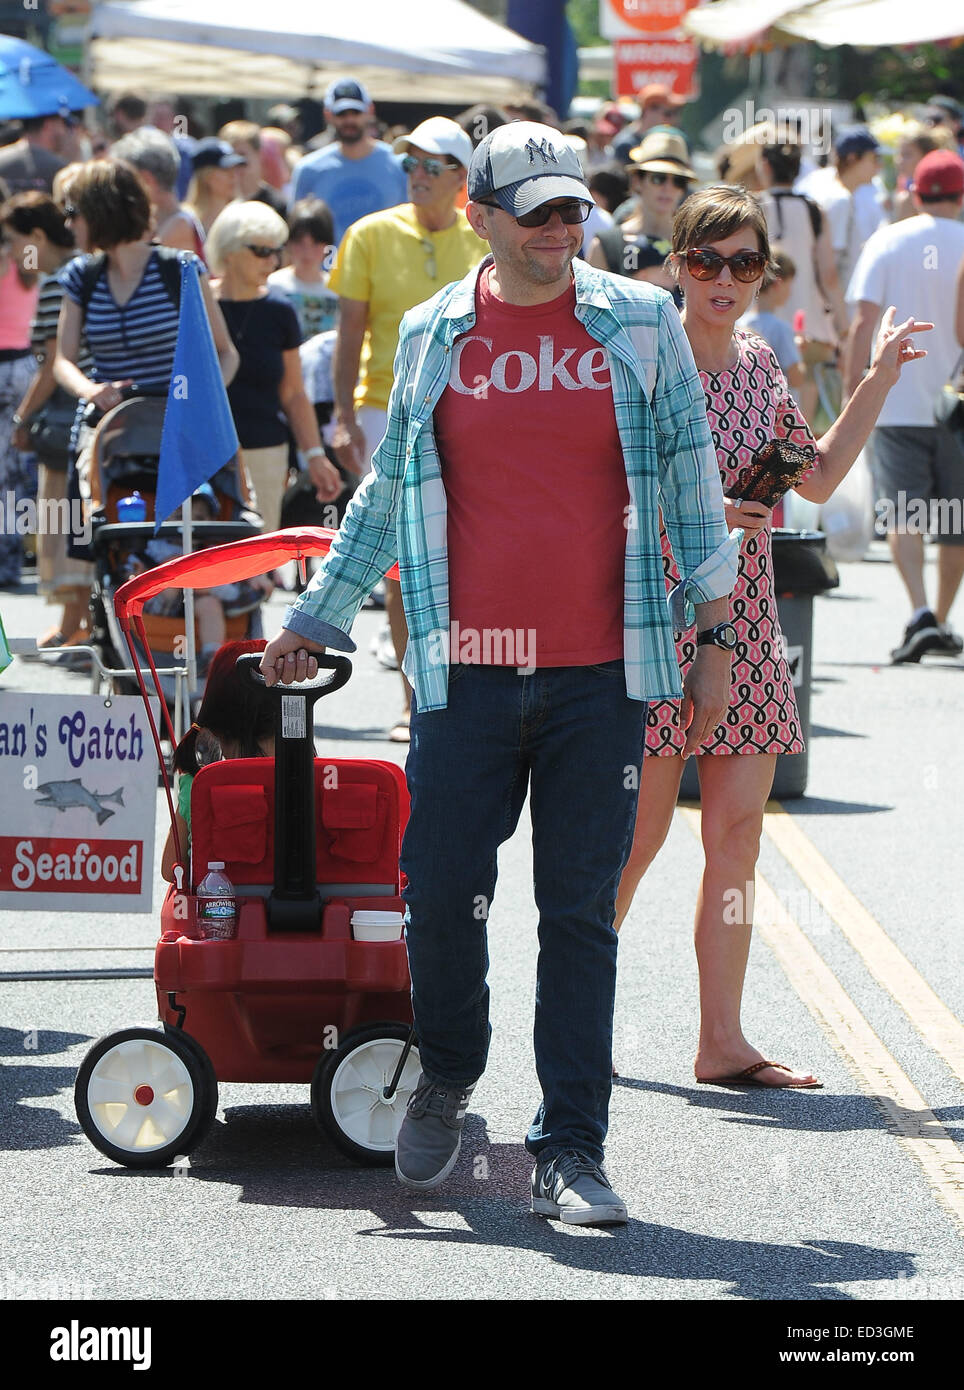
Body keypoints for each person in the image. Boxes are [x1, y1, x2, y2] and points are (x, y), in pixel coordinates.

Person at [258, 121, 742, 1226]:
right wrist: (319, 618)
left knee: (578, 914)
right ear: (479, 215)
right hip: (464, 672)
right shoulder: (434, 331)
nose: (566, 231)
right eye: (540, 215)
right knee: (438, 893)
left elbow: (690, 481)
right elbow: (382, 497)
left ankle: (570, 1145)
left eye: (576, 210)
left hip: (601, 673)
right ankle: (449, 1067)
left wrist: (715, 640)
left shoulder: (641, 321)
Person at [614, 185, 930, 1089]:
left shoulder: (758, 365)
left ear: (764, 272)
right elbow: (602, 496)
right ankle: (575, 1009)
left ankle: (723, 1041)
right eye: (707, 260)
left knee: (740, 835)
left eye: (744, 262)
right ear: (677, 264)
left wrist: (872, 379)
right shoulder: (640, 360)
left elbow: (819, 478)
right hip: (654, 618)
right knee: (637, 841)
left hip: (746, 622)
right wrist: (706, 507)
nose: (724, 278)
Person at [327, 115, 485, 743]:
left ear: (461, 179)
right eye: (409, 164)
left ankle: (467, 694)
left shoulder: (487, 236)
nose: (416, 176)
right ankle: (413, 699)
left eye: (430, 165)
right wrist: (341, 419)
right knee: (403, 560)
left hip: (472, 412)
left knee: (468, 557)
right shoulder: (368, 234)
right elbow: (349, 338)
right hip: (383, 412)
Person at [52, 159, 239, 519]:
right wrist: (90, 390)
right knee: (109, 537)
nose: (68, 223)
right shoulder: (82, 276)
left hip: (179, 429)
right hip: (111, 436)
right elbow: (63, 360)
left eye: (74, 211)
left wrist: (201, 398)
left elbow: (226, 354)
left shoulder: (179, 269)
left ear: (100, 211)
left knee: (193, 533)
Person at [844, 148, 964, 663]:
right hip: (958, 403)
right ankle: (939, 615)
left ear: (915, 192)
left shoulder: (888, 241)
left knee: (905, 511)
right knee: (955, 516)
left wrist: (856, 390)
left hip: (894, 397)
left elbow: (862, 320)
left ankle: (919, 613)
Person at [205, 200, 342, 532]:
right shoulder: (201, 303)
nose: (272, 260)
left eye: (275, 251)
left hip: (266, 453)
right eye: (260, 251)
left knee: (258, 558)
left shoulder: (279, 310)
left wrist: (314, 455)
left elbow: (294, 393)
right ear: (230, 250)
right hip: (207, 453)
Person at [3, 192, 93, 651]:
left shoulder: (63, 279)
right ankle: (75, 619)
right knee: (70, 519)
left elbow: (52, 361)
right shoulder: (82, 269)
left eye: (16, 241)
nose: (15, 253)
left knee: (64, 518)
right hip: (80, 417)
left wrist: (22, 417)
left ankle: (77, 622)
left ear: (37, 237)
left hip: (64, 421)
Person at [161, 637, 275, 881]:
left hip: (219, 914)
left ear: (216, 718)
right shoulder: (316, 780)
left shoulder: (196, 785)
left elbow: (171, 869)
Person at [756, 136, 848, 423]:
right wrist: (844, 330)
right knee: (802, 423)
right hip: (809, 324)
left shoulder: (751, 207)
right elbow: (829, 275)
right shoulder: (813, 210)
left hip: (758, 324)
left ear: (766, 166)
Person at [290, 78, 407, 245]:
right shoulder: (308, 170)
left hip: (385, 269)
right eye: (341, 114)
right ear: (328, 115)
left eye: (356, 112)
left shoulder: (398, 164)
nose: (349, 120)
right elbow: (296, 236)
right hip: (331, 268)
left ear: (370, 111)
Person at [587, 129, 694, 304]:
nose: (668, 188)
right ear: (637, 181)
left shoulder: (694, 247)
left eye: (678, 181)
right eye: (659, 178)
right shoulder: (606, 246)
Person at [800, 126, 885, 309]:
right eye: (874, 159)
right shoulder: (839, 199)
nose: (879, 166)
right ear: (853, 158)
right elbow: (829, 270)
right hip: (831, 307)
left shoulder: (829, 188)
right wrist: (840, 322)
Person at [0, 201, 39, 588]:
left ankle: (8, 561)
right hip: (24, 366)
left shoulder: (13, 257)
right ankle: (10, 560)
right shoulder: (25, 260)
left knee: (8, 472)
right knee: (11, 472)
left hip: (8, 367)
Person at [111, 126, 205, 257]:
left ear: (146, 180)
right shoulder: (162, 220)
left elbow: (134, 261)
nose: (120, 188)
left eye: (124, 179)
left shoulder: (179, 224)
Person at [267, 198, 339, 341]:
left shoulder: (336, 290)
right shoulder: (273, 286)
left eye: (316, 243)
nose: (307, 252)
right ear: (288, 244)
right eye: (299, 242)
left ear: (327, 245)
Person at [738, 246, 805, 389]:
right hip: (776, 406)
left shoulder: (738, 322)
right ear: (778, 284)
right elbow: (796, 379)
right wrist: (798, 353)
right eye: (790, 285)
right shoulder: (781, 329)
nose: (790, 292)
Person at [218, 121, 288, 216]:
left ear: (259, 154)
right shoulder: (217, 203)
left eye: (242, 155)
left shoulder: (277, 205)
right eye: (230, 157)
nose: (235, 164)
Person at [611, 84, 687, 165]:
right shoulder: (625, 144)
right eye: (668, 113)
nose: (673, 119)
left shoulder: (667, 140)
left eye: (676, 113)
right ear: (649, 111)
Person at [185, 138, 245, 238]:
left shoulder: (243, 218)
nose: (233, 176)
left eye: (235, 168)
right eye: (226, 169)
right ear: (206, 176)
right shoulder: (188, 221)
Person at [0, 114, 72, 195]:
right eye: (62, 124)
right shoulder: (62, 170)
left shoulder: (2, 159)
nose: (64, 131)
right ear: (48, 125)